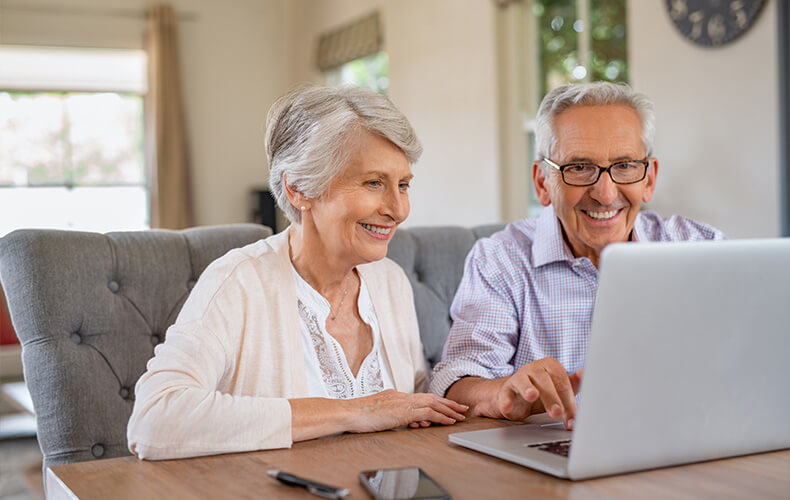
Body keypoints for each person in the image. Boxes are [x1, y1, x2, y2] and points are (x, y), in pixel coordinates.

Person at [128, 86, 467, 460]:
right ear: (299, 188)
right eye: (374, 183)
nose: (398, 209)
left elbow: (409, 404)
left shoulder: (390, 281)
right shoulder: (238, 282)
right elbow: (153, 419)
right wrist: (356, 412)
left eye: (403, 185)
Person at [429, 82, 724, 431]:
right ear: (542, 183)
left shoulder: (700, 246)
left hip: (685, 444)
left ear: (649, 178)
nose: (605, 193)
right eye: (580, 167)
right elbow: (458, 380)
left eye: (625, 165)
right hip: (548, 462)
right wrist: (502, 395)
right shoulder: (500, 260)